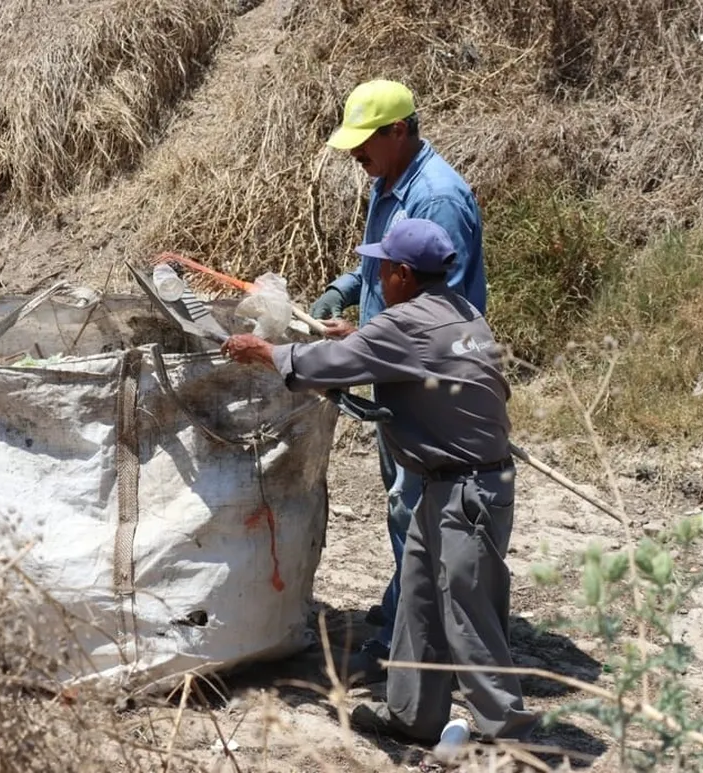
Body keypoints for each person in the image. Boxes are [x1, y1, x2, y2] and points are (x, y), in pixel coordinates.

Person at [221, 219, 536, 744]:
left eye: (383, 267)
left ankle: (512, 736)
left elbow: (329, 364)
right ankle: (413, 716)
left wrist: (266, 353)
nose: (380, 275)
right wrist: (361, 341)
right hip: (457, 485)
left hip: (466, 492)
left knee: (467, 613)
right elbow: (405, 360)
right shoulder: (461, 315)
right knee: (418, 600)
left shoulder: (406, 325)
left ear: (403, 274)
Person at [309, 79, 488, 676]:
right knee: (403, 506)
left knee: (420, 511)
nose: (355, 155)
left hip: (430, 384)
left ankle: (410, 643)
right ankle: (409, 623)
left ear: (399, 131)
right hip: (395, 374)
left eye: (365, 143)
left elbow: (442, 307)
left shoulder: (436, 198)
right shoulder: (388, 183)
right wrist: (341, 293)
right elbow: (383, 264)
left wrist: (364, 344)